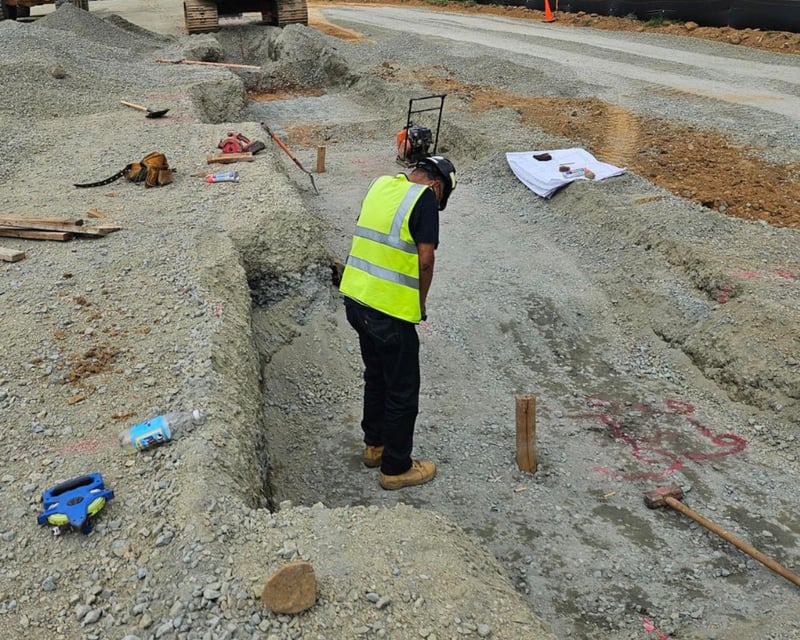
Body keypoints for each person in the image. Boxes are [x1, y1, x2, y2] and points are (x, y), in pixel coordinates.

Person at [339, 155, 457, 490]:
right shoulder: (424, 199)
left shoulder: (381, 185)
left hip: (357, 299)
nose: (438, 203)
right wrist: (419, 305)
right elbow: (425, 260)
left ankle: (374, 447)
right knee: (403, 390)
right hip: (389, 312)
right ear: (437, 186)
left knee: (376, 377)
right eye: (441, 198)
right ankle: (395, 467)